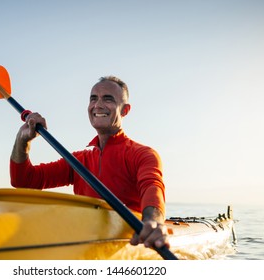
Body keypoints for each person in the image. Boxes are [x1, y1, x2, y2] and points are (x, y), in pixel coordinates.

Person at [10, 76, 169, 249]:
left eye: (108, 99)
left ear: (125, 110)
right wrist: (22, 140)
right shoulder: (78, 161)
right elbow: (25, 180)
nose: (98, 105)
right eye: (93, 99)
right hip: (86, 242)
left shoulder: (143, 154)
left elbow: (152, 187)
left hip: (130, 244)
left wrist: (153, 221)